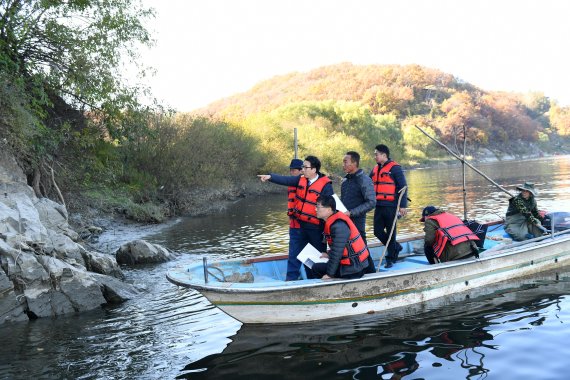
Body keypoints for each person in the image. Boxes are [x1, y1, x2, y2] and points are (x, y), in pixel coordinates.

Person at [258, 155, 333, 280]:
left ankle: (314, 281)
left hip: (316, 228)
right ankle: (290, 282)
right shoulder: (300, 179)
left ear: (314, 170)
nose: (302, 169)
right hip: (299, 226)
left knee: (316, 257)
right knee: (294, 255)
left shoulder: (325, 185)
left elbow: (331, 207)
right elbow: (286, 180)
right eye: (302, 167)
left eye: (305, 167)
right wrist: (270, 177)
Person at [311, 194, 369, 279]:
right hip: (352, 265)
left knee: (316, 268)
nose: (315, 209)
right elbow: (339, 248)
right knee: (320, 264)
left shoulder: (339, 226)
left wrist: (329, 274)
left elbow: (337, 253)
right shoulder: (333, 221)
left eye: (318, 207)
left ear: (328, 209)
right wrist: (328, 254)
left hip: (353, 269)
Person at [370, 144, 408, 268]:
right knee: (377, 231)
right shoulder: (375, 168)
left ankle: (391, 258)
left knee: (391, 233)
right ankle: (396, 247)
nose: (375, 156)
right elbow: (368, 182)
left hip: (391, 206)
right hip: (379, 205)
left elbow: (403, 187)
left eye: (376, 154)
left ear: (384, 155)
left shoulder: (395, 168)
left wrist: (402, 206)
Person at [340, 151, 376, 272]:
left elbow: (371, 202)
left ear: (354, 163)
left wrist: (351, 213)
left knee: (361, 247)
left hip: (357, 220)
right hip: (345, 220)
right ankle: (355, 270)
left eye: (346, 162)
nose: (343, 165)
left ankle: (371, 272)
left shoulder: (364, 179)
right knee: (349, 247)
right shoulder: (345, 181)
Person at [286, 158, 304, 269]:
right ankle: (291, 279)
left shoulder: (305, 184)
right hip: (293, 225)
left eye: (294, 170)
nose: (292, 172)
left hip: (304, 226)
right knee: (293, 254)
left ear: (301, 170)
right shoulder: (291, 184)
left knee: (306, 252)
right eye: (291, 170)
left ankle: (313, 276)